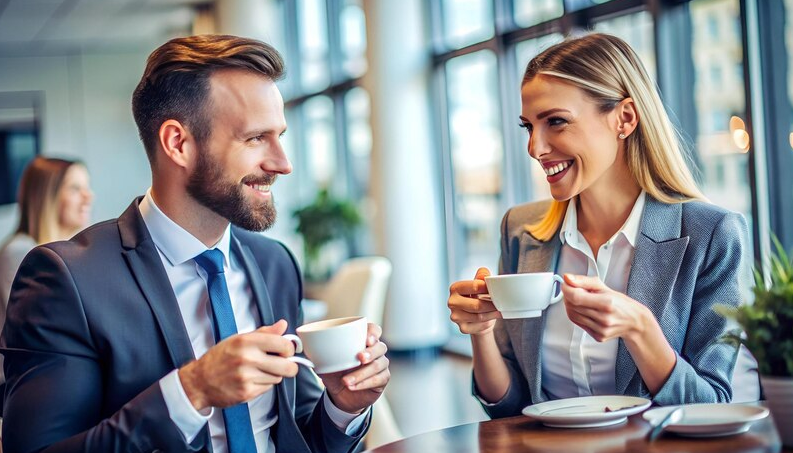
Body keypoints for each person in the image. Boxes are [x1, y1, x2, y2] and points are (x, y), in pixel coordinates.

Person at [1, 35, 390, 453]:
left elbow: (296, 435)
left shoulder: (274, 263)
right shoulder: (67, 279)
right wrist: (191, 391)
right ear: (178, 143)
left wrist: (343, 408)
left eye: (279, 135)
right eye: (256, 138)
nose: (282, 163)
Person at [447, 33, 757, 418]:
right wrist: (479, 333)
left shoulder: (712, 235)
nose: (535, 148)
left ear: (624, 118)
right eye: (528, 126)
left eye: (555, 122)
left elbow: (712, 408)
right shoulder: (521, 230)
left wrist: (641, 329)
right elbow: (510, 405)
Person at [0, 156, 92, 326]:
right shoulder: (20, 251)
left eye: (87, 187)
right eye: (75, 188)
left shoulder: (79, 253)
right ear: (47, 196)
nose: (88, 197)